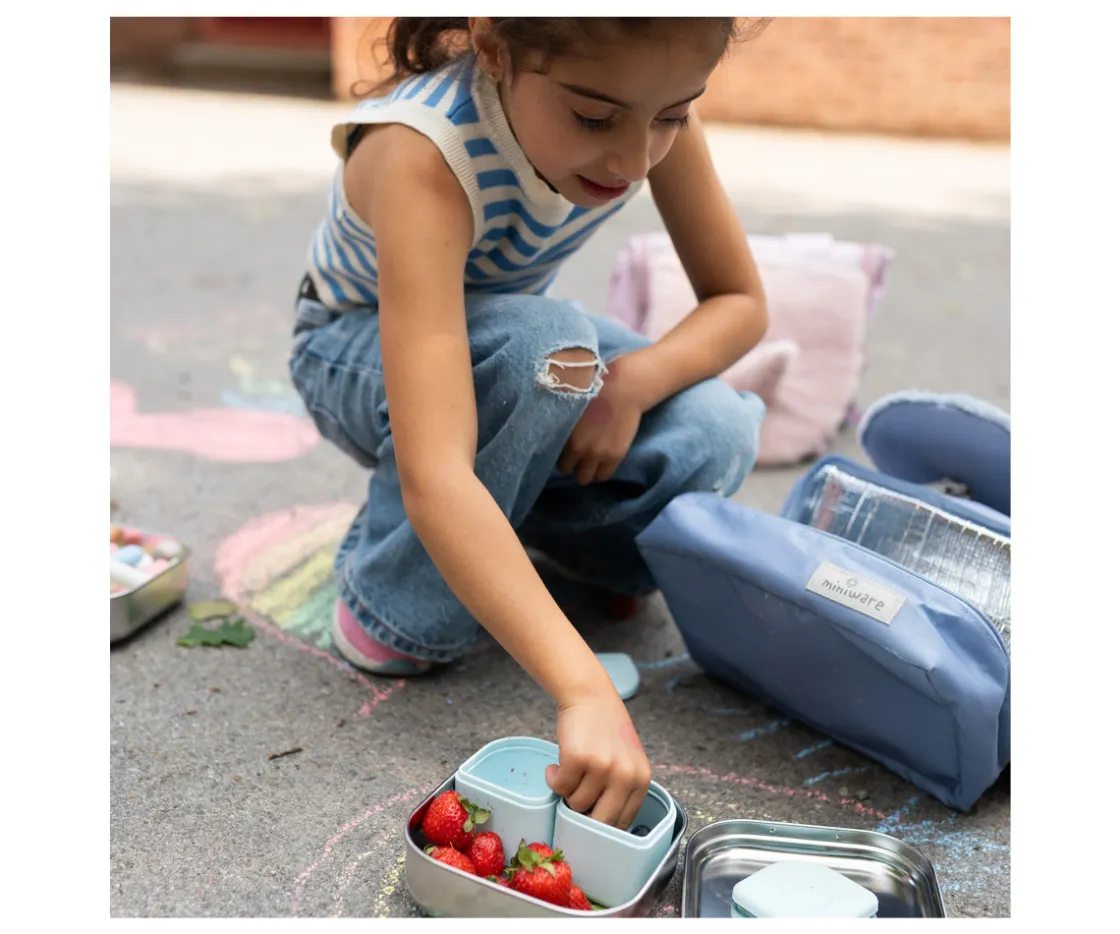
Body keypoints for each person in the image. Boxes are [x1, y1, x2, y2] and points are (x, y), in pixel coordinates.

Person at [289, 16, 771, 832]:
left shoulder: (643, 102)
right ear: (495, 48)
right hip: (353, 353)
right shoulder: (422, 153)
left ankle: (549, 540)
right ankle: (388, 605)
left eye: (671, 117)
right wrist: (581, 688)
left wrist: (632, 386)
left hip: (507, 350)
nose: (631, 158)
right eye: (593, 119)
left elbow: (741, 303)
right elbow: (436, 472)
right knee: (553, 351)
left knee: (714, 424)